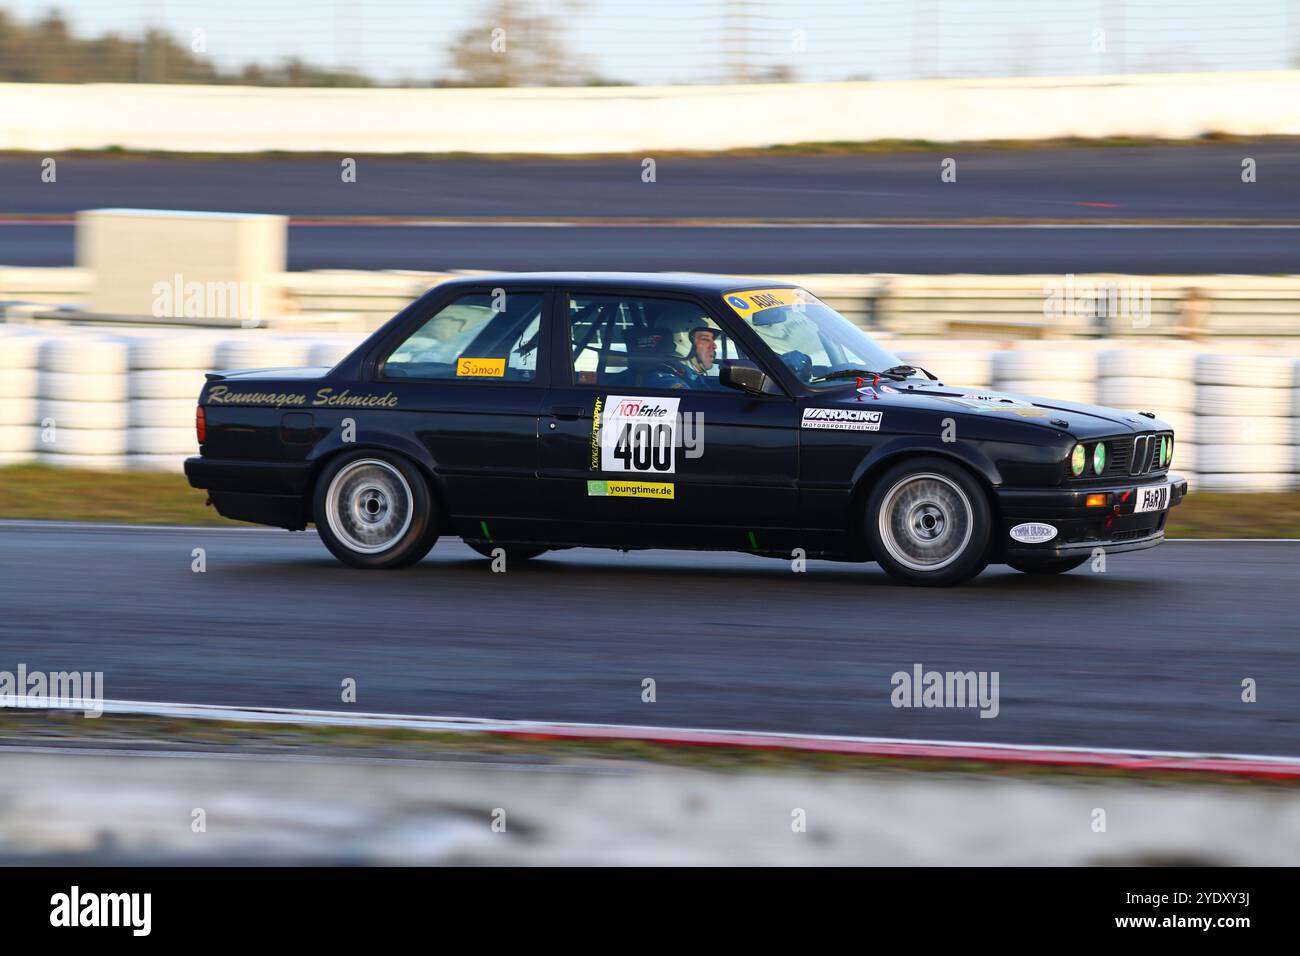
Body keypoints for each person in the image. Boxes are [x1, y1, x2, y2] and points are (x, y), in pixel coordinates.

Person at [641, 310, 720, 390]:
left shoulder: (688, 376)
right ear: (681, 339)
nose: (714, 346)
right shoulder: (666, 381)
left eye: (713, 339)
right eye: (705, 339)